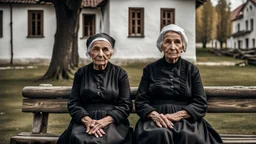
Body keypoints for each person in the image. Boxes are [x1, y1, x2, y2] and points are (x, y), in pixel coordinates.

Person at [134, 24, 223, 144]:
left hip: (186, 119)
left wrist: (178, 115)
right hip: (156, 119)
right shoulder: (150, 70)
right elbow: (141, 101)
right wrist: (154, 115)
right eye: (167, 42)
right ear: (161, 46)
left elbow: (201, 102)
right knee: (158, 134)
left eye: (177, 42)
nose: (172, 47)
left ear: (182, 47)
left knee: (188, 135)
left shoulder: (192, 70)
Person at [57, 33, 133, 144]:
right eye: (96, 49)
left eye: (105, 50)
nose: (101, 54)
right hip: (85, 120)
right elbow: (74, 103)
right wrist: (87, 120)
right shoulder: (81, 73)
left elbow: (125, 104)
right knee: (80, 139)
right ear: (89, 53)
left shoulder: (120, 74)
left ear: (111, 53)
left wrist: (104, 121)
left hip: (112, 121)